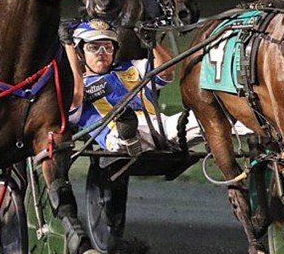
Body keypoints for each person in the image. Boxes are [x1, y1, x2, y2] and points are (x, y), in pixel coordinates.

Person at [66, 19, 203, 154]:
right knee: (124, 127)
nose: (101, 52)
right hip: (114, 133)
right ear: (79, 53)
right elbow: (75, 98)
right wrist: (68, 46)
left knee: (205, 117)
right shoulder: (78, 86)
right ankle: (128, 136)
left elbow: (165, 71)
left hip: (161, 126)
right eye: (93, 47)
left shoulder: (131, 67)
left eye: (108, 47)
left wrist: (152, 43)